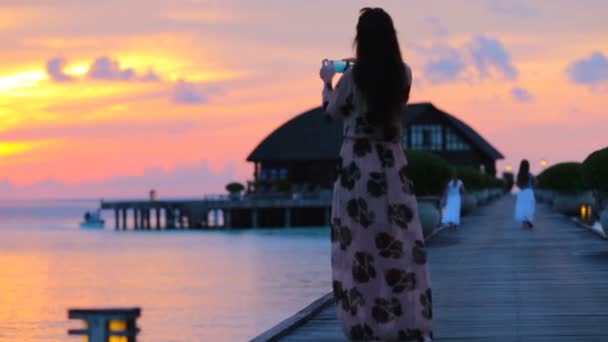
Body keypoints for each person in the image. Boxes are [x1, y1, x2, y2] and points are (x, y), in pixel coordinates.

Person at [320, 8, 432, 341]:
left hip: (357, 168)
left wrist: (328, 80)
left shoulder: (353, 78)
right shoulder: (405, 74)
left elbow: (334, 110)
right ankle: (406, 323)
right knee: (398, 245)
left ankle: (366, 325)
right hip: (392, 166)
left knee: (358, 250)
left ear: (361, 40)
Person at [515, 159, 536, 228]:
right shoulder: (530, 175)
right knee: (529, 207)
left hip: (522, 192)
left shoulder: (519, 175)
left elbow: (517, 184)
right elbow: (536, 182)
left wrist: (521, 187)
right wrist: (532, 186)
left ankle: (524, 221)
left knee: (523, 207)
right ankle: (529, 220)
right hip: (529, 192)